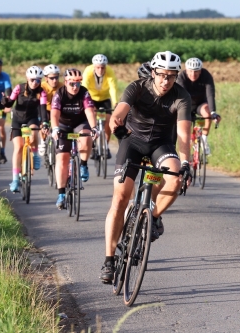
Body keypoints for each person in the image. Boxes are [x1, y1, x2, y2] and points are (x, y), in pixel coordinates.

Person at [100, 51, 192, 283]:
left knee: (175, 179)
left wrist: (186, 162)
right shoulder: (137, 87)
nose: (166, 81)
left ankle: (151, 218)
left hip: (161, 144)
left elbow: (183, 134)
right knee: (120, 197)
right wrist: (117, 126)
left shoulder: (181, 96)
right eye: (162, 75)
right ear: (153, 73)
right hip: (132, 141)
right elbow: (118, 114)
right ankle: (109, 260)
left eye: (171, 76)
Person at [51, 68, 97, 209]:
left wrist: (94, 127)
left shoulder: (84, 93)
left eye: (78, 83)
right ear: (65, 82)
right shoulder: (59, 94)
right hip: (63, 125)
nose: (75, 87)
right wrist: (55, 129)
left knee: (86, 137)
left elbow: (89, 111)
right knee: (62, 159)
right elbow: (54, 114)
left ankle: (83, 164)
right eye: (72, 84)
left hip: (79, 123)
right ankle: (61, 194)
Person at [2, 66, 47, 193]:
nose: (35, 83)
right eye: (32, 80)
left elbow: (43, 109)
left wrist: (45, 122)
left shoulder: (41, 92)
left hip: (31, 119)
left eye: (38, 80)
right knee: (19, 147)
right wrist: (5, 101)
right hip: (17, 119)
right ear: (27, 78)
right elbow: (10, 103)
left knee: (33, 134)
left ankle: (35, 154)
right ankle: (15, 179)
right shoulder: (19, 88)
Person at [176, 57, 221, 155]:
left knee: (207, 111)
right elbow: (181, 97)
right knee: (184, 125)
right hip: (185, 105)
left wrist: (213, 112)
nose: (193, 74)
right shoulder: (181, 77)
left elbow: (210, 94)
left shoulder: (206, 75)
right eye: (190, 71)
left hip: (200, 104)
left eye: (196, 71)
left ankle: (204, 139)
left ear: (200, 71)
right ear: (186, 70)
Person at [83, 54, 119, 159]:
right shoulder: (88, 71)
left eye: (102, 67)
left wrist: (115, 103)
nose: (100, 70)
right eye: (98, 67)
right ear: (94, 66)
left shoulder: (110, 71)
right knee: (92, 116)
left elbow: (113, 88)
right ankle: (93, 141)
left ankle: (106, 146)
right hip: (91, 98)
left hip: (104, 98)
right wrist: (86, 103)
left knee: (108, 120)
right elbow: (84, 87)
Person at [39, 64, 63, 156]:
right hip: (46, 109)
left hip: (57, 110)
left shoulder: (62, 86)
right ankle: (42, 141)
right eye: (52, 78)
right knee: (42, 122)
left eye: (56, 77)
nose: (55, 80)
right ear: (46, 78)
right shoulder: (42, 86)